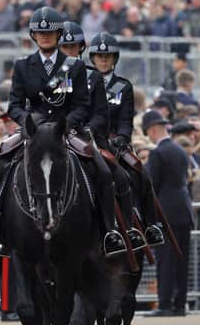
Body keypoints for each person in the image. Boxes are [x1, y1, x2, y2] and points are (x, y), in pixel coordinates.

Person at [0, 8, 134, 257]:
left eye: (49, 32)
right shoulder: (23, 65)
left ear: (58, 34)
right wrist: (27, 123)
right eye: (40, 32)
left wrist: (66, 124)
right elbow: (14, 104)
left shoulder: (75, 67)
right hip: (33, 131)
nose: (45, 36)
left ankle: (108, 232)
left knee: (102, 169)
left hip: (65, 130)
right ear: (33, 35)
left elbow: (82, 105)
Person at [57, 22, 144, 254]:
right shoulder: (52, 76)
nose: (103, 60)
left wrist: (120, 137)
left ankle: (127, 227)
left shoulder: (107, 82)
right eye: (63, 47)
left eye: (72, 47)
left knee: (127, 174)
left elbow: (109, 116)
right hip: (57, 134)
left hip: (98, 136)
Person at [85, 31, 163, 245]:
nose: (103, 59)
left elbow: (126, 118)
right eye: (99, 56)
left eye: (107, 56)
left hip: (115, 140)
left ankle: (150, 224)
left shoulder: (123, 86)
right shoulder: (85, 82)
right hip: (90, 137)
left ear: (114, 59)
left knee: (141, 172)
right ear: (92, 58)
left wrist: (122, 137)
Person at [144, 110, 193, 317]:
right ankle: (180, 304)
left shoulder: (157, 153)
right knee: (182, 259)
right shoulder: (180, 150)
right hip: (183, 209)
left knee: (166, 260)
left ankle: (164, 304)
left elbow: (151, 185)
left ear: (154, 130)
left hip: (166, 212)